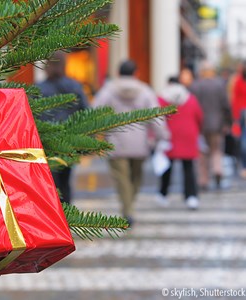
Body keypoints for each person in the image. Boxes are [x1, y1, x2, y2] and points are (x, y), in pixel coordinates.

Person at [92, 59, 170, 226]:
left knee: (122, 179)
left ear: (118, 73)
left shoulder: (109, 90)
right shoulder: (145, 91)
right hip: (139, 143)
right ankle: (129, 209)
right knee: (136, 178)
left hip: (115, 141)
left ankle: (127, 209)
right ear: (136, 73)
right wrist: (162, 135)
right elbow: (156, 115)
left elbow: (94, 110)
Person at [36, 51, 89, 205]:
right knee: (65, 179)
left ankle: (54, 216)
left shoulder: (39, 88)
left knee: (50, 182)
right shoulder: (74, 86)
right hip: (68, 142)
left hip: (45, 142)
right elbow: (85, 111)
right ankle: (66, 215)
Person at [156, 76, 203, 210]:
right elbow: (199, 115)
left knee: (167, 167)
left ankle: (163, 194)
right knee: (188, 167)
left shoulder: (162, 99)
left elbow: (157, 118)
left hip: (169, 135)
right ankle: (191, 196)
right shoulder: (190, 98)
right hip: (188, 134)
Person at [189, 61, 232, 190]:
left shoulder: (195, 86)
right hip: (217, 124)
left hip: (200, 124)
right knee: (216, 150)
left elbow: (191, 105)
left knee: (202, 152)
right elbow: (226, 106)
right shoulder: (219, 85)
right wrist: (228, 122)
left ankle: (203, 180)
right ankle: (218, 169)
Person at [230, 61, 246, 178]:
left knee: (243, 140)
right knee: (243, 140)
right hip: (242, 113)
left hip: (241, 113)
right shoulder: (238, 81)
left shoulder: (238, 80)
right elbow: (235, 99)